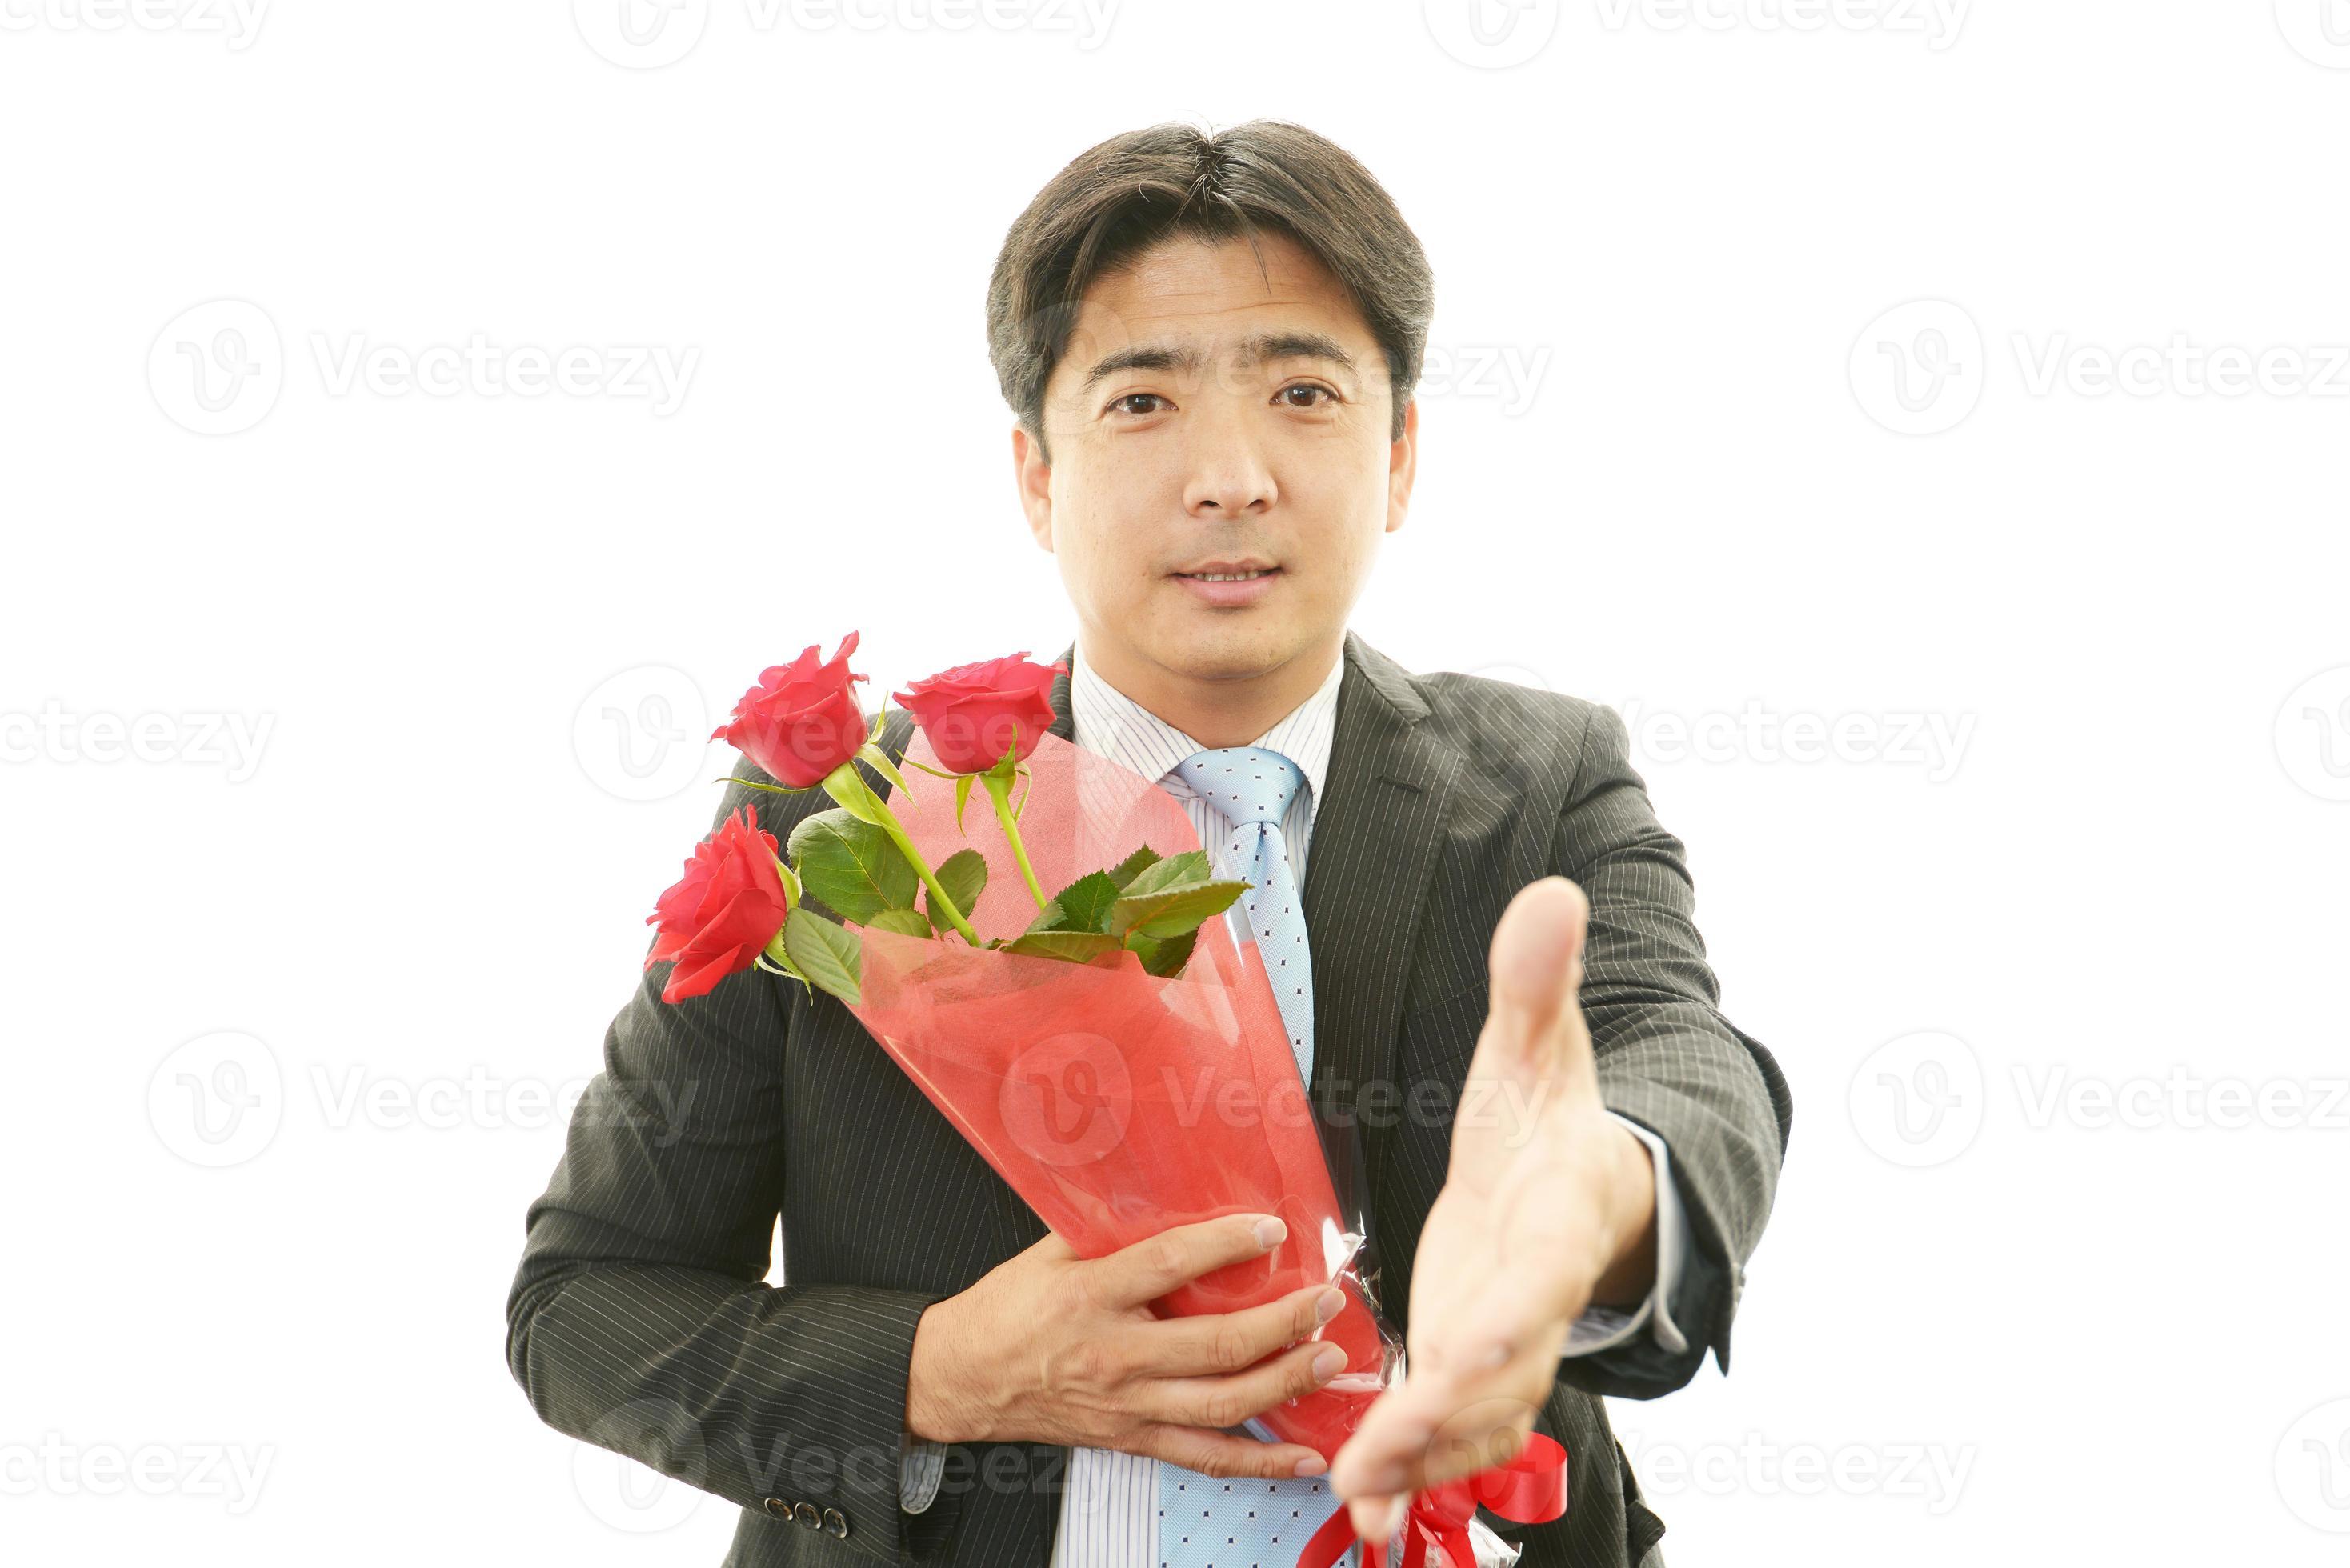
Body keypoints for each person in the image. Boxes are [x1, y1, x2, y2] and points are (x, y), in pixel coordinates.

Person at [506, 119, 1790, 1568]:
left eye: (1301, 392)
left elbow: (1678, 1053)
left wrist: (1596, 1189)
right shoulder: (840, 828)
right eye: (1141, 401)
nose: (1229, 476)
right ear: (1035, 474)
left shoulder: (1544, 781)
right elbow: (581, 1307)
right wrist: (938, 1371)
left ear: (1400, 456)